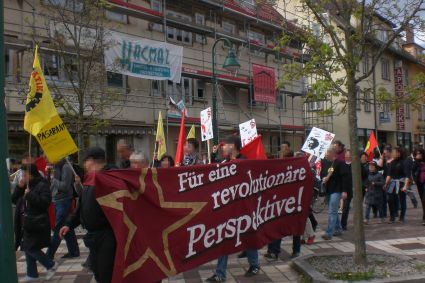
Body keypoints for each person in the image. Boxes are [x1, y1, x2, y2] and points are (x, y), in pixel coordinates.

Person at [60, 147, 117, 283]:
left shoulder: (110, 178)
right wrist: (69, 224)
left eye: (85, 161)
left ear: (91, 161)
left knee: (106, 274)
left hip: (107, 235)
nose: (84, 165)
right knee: (97, 271)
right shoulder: (89, 178)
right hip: (93, 237)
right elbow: (82, 207)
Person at [206, 135, 259, 282]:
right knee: (224, 238)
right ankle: (220, 273)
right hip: (228, 207)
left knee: (247, 235)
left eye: (225, 145)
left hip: (243, 207)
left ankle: (254, 264)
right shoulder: (226, 161)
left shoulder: (244, 162)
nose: (222, 147)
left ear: (233, 146)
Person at [18, 164, 57, 282]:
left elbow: (45, 203)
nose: (23, 177)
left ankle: (49, 264)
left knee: (30, 247)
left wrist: (30, 195)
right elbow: (15, 198)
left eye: (25, 175)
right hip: (28, 222)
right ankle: (32, 274)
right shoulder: (26, 185)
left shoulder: (42, 184)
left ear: (31, 175)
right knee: (27, 246)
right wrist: (19, 188)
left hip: (37, 222)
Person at [264, 149, 303, 259]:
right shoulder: (281, 169)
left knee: (292, 228)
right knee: (278, 227)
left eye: (283, 157)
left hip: (292, 203)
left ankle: (285, 251)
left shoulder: (296, 169)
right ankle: (275, 250)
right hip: (283, 203)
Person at [47, 159, 80, 260]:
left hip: (64, 200)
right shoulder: (54, 167)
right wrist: (48, 175)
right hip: (57, 200)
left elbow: (65, 186)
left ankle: (49, 254)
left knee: (58, 228)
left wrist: (52, 178)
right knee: (66, 226)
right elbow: (51, 187)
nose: (47, 159)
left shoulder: (65, 167)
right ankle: (74, 252)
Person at [321, 148, 348, 240]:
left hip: (337, 190)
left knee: (332, 211)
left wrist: (344, 191)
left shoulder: (340, 163)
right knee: (333, 211)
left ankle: (329, 233)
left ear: (332, 154)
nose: (326, 155)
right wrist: (324, 178)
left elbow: (345, 178)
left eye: (327, 153)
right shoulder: (325, 163)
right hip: (328, 190)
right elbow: (322, 174)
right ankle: (338, 229)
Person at [384, 147, 411, 224]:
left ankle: (402, 217)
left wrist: (405, 186)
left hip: (401, 183)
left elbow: (407, 175)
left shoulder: (404, 162)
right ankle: (392, 217)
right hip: (393, 183)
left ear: (399, 153)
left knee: (402, 200)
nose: (392, 153)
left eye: (394, 152)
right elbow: (389, 174)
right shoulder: (392, 163)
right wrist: (386, 184)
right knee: (390, 199)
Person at [377, 146, 393, 218]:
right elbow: (379, 166)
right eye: (384, 153)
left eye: (385, 153)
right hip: (383, 180)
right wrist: (381, 158)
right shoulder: (384, 160)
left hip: (391, 181)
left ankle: (394, 212)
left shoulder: (393, 161)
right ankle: (384, 213)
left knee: (390, 198)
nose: (385, 154)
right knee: (383, 198)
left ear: (390, 152)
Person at [412, 148, 425, 225]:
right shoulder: (416, 162)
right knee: (422, 201)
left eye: (420, 153)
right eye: (417, 154)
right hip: (420, 183)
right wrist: (414, 180)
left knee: (424, 199)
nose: (418, 155)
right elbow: (413, 171)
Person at [341, 150, 353, 231]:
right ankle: (341, 224)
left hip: (351, 189)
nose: (347, 157)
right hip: (342, 189)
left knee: (346, 207)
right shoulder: (341, 165)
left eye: (348, 156)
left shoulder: (355, 165)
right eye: (346, 156)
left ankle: (343, 224)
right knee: (344, 208)